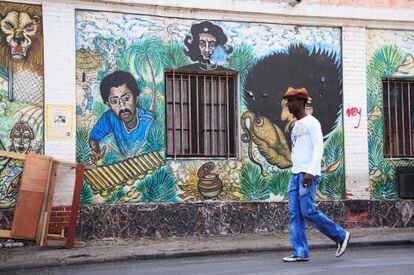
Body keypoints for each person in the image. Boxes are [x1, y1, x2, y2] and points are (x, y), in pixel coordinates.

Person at [282, 87, 350, 262]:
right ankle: (300, 252)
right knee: (295, 215)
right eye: (287, 101)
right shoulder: (296, 125)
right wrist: (295, 172)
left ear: (301, 102)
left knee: (308, 211)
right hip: (295, 174)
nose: (288, 104)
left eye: (291, 101)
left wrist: (310, 172)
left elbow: (319, 147)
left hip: (307, 174)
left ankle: (341, 235)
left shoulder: (313, 122)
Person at [89, 71, 154, 163]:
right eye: (115, 102)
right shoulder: (109, 117)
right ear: (109, 105)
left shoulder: (150, 122)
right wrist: (97, 152)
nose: (122, 106)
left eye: (126, 99)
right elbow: (93, 138)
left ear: (136, 98)